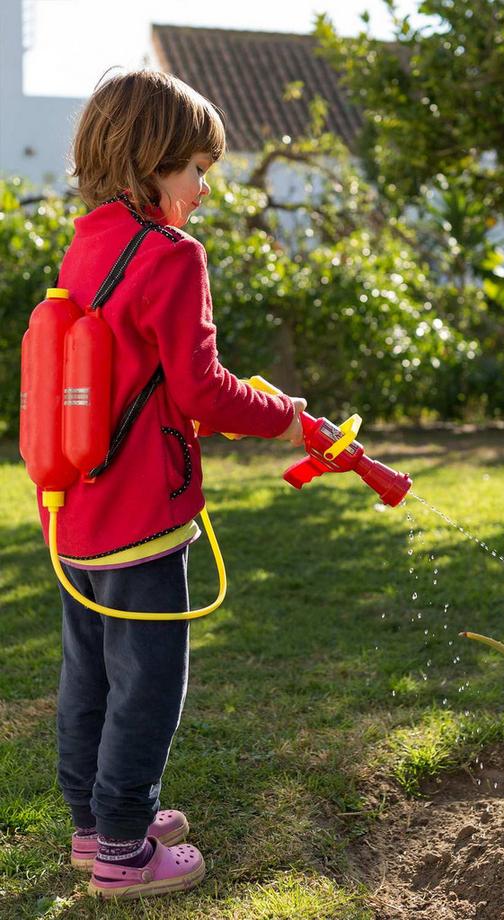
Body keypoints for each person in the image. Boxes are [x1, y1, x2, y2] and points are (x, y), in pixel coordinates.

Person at [40, 69, 306, 900]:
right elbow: (199, 391)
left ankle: (95, 826)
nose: (201, 188)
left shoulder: (85, 244)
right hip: (143, 517)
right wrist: (282, 418)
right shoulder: (172, 256)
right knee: (149, 684)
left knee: (88, 678)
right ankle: (124, 847)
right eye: (194, 167)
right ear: (149, 163)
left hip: (75, 511)